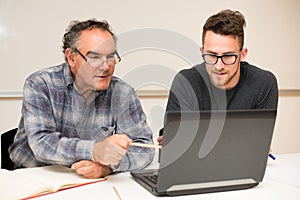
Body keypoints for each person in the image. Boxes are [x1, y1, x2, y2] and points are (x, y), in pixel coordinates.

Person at [9, 19, 154, 178]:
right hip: (34, 176)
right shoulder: (40, 84)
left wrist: (108, 167)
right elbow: (43, 143)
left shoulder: (123, 93)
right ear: (71, 58)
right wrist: (95, 151)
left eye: (111, 57)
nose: (106, 66)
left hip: (90, 181)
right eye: (94, 57)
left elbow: (144, 149)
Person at [158, 9, 278, 145]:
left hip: (240, 165)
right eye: (211, 55)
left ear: (242, 54)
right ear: (202, 51)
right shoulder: (185, 81)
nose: (219, 66)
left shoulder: (263, 83)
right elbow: (176, 145)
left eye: (228, 56)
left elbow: (258, 143)